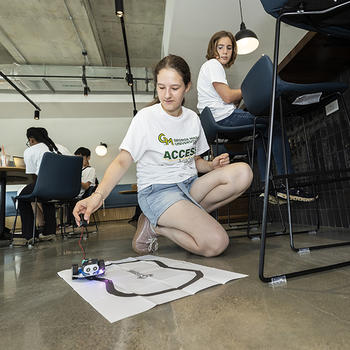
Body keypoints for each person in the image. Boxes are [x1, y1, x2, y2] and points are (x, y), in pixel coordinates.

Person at [73, 54, 253, 257]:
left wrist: (211, 166)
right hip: (158, 192)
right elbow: (123, 160)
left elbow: (194, 161)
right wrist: (98, 196)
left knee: (243, 173)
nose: (167, 95)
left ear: (187, 86)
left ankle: (162, 220)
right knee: (216, 243)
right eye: (161, 87)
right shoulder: (146, 118)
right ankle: (156, 226)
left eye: (174, 88)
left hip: (189, 185)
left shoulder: (193, 118)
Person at [197, 30, 316, 203]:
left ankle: (267, 189)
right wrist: (248, 90)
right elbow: (228, 97)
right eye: (220, 47)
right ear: (213, 49)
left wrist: (237, 97)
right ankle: (287, 185)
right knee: (274, 126)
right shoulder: (213, 65)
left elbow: (226, 100)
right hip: (224, 119)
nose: (225, 51)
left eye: (229, 48)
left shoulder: (208, 68)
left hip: (217, 121)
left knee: (261, 133)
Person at [12, 127, 71, 246]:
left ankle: (28, 235)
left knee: (23, 197)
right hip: (68, 188)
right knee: (46, 197)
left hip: (48, 186)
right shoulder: (62, 148)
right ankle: (50, 232)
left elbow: (33, 176)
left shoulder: (31, 150)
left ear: (31, 140)